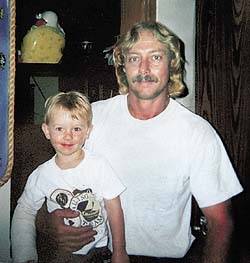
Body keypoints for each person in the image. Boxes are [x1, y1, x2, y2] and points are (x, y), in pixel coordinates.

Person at [47, 21, 243, 262]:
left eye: (156, 57)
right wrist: (48, 223)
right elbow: (44, 186)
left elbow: (220, 222)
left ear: (172, 64)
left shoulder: (197, 133)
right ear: (123, 67)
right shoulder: (91, 119)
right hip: (93, 256)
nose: (144, 68)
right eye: (134, 58)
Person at [11, 91, 129, 263]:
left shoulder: (99, 166)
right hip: (59, 252)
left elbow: (114, 207)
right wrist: (25, 255)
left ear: (88, 131)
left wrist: (120, 251)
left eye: (76, 129)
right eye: (59, 128)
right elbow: (25, 210)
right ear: (47, 130)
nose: (68, 136)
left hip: (98, 251)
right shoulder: (41, 175)